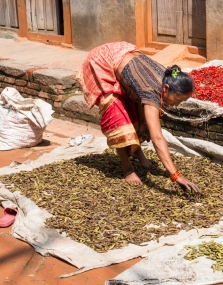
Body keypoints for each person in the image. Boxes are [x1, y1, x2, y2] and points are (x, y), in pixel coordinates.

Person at [76, 41, 200, 192]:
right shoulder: (152, 89)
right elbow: (157, 138)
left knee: (136, 115)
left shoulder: (167, 76)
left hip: (122, 54)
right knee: (119, 117)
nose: (177, 105)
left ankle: (136, 151)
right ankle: (127, 168)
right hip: (102, 62)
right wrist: (176, 175)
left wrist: (143, 122)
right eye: (178, 100)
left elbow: (140, 98)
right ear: (166, 88)